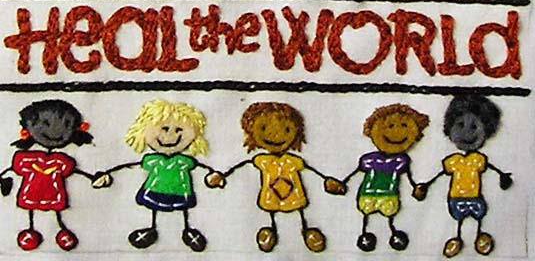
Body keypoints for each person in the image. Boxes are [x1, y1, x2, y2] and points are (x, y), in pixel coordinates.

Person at [205, 101, 344, 252]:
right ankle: (271, 231)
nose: (275, 135)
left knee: (300, 214)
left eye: (286, 129)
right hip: (271, 196)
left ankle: (307, 231)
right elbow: (241, 165)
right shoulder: (263, 161)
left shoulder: (291, 161)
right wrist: (222, 175)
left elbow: (313, 171)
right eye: (264, 128)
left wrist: (327, 181)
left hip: (293, 195)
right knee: (273, 213)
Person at [91, 100, 221, 251]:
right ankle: (152, 229)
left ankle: (187, 230)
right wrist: (107, 175)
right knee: (155, 209)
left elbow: (202, 168)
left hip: (179, 191)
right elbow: (130, 166)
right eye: (164, 129)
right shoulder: (154, 160)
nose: (170, 136)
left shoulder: (183, 161)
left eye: (179, 130)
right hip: (156, 189)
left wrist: (213, 176)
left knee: (182, 211)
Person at [412, 94, 513, 257]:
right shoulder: (454, 161)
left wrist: (503, 177)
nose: (467, 133)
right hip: (456, 197)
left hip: (474, 197)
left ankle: (479, 236)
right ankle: (458, 238)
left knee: (478, 217)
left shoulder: (478, 159)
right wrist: (426, 185)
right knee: (459, 219)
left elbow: (491, 168)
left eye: (474, 127)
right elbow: (441, 174)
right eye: (460, 125)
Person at [0, 99, 101, 251]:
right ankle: (33, 231)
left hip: (50, 193)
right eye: (46, 124)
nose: (54, 132)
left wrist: (93, 177)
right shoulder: (28, 158)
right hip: (35, 192)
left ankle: (60, 230)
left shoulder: (58, 161)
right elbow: (14, 168)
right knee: (33, 211)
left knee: (54, 211)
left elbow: (71, 169)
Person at [337, 104, 429, 252]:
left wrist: (417, 189)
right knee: (367, 215)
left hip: (389, 195)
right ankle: (365, 235)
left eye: (404, 126)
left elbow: (410, 179)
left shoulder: (400, 161)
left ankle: (392, 234)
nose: (396, 132)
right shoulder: (370, 160)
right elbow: (354, 173)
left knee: (388, 215)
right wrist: (341, 184)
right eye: (390, 126)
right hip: (368, 194)